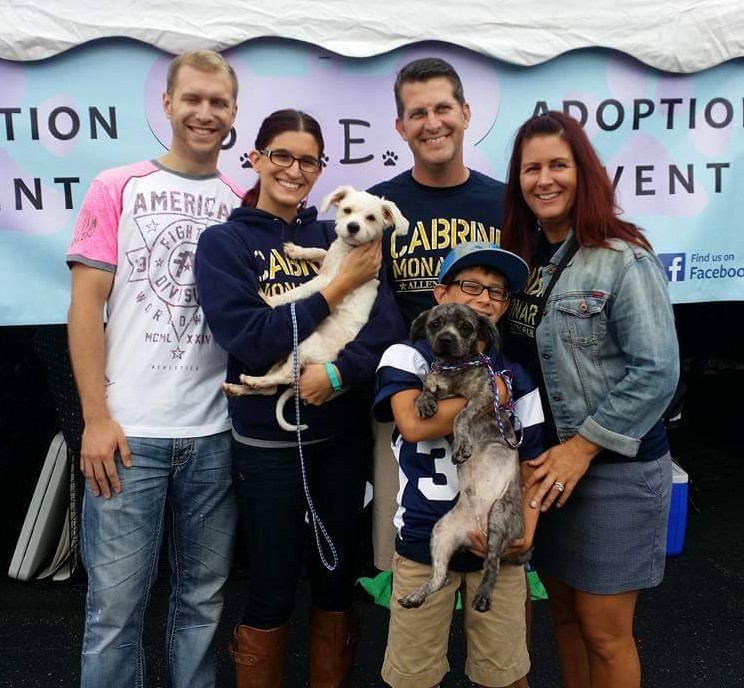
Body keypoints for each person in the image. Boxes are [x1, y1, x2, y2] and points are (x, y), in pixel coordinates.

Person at [194, 108, 406, 687]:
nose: (292, 169)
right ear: (255, 158)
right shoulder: (224, 243)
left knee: (337, 579)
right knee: (269, 583)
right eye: (280, 155)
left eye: (307, 160)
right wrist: (335, 287)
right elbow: (249, 339)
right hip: (264, 446)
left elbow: (385, 332)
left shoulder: (337, 232)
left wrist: (337, 375)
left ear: (320, 171)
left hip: (336, 439)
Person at [67, 50, 241, 687]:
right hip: (128, 436)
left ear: (232, 115)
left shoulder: (241, 201)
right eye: (192, 98)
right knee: (114, 612)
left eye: (217, 102)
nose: (204, 112)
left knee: (202, 607)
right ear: (166, 104)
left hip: (216, 437)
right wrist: (95, 418)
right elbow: (86, 307)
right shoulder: (118, 186)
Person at [500, 110, 680, 688]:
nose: (544, 179)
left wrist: (582, 448)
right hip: (543, 468)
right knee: (564, 617)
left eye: (559, 164)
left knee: (605, 633)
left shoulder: (623, 257)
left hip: (610, 470)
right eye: (532, 169)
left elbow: (657, 372)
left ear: (584, 173)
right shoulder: (525, 259)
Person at [373, 242, 545, 688]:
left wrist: (525, 532)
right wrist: (493, 396)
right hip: (424, 532)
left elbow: (533, 462)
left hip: (498, 539)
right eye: (471, 285)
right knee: (411, 675)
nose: (485, 297)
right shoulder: (407, 356)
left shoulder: (516, 372)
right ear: (441, 293)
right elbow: (412, 423)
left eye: (497, 291)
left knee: (505, 672)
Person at [368, 56, 507, 573]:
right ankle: (414, 640)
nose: (432, 123)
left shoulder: (504, 204)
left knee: (496, 541)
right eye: (417, 112)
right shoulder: (380, 205)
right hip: (411, 393)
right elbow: (368, 305)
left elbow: (514, 303)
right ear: (400, 126)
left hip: (484, 391)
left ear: (466, 113)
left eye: (443, 108)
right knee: (407, 549)